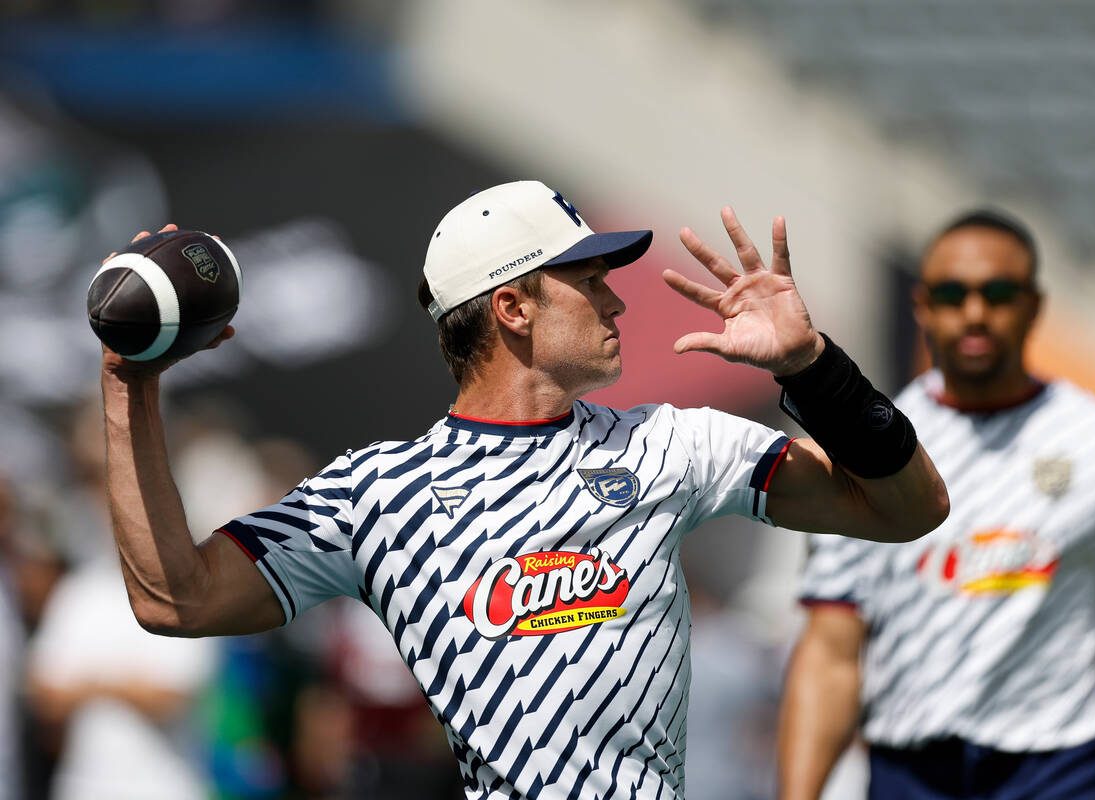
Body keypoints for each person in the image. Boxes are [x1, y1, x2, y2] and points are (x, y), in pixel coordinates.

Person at [99, 180, 948, 799]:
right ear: (511, 307)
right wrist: (129, 384)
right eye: (587, 280)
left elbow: (908, 508)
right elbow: (179, 601)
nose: (617, 299)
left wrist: (815, 369)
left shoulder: (673, 441)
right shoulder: (376, 494)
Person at [777, 208, 1095, 800]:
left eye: (998, 292)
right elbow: (831, 648)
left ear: (1034, 305)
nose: (975, 312)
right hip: (913, 770)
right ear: (922, 305)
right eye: (953, 294)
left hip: (1065, 769)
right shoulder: (866, 454)